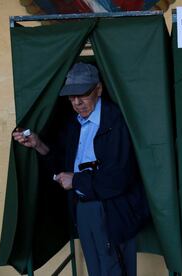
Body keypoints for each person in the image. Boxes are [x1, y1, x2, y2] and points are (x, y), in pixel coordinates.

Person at [12, 62, 149, 276]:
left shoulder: (117, 121)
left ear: (99, 89)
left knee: (114, 270)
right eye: (71, 97)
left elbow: (119, 178)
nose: (77, 103)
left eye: (82, 94)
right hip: (83, 207)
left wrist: (76, 181)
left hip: (111, 209)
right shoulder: (74, 123)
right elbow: (63, 163)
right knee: (96, 270)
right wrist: (38, 144)